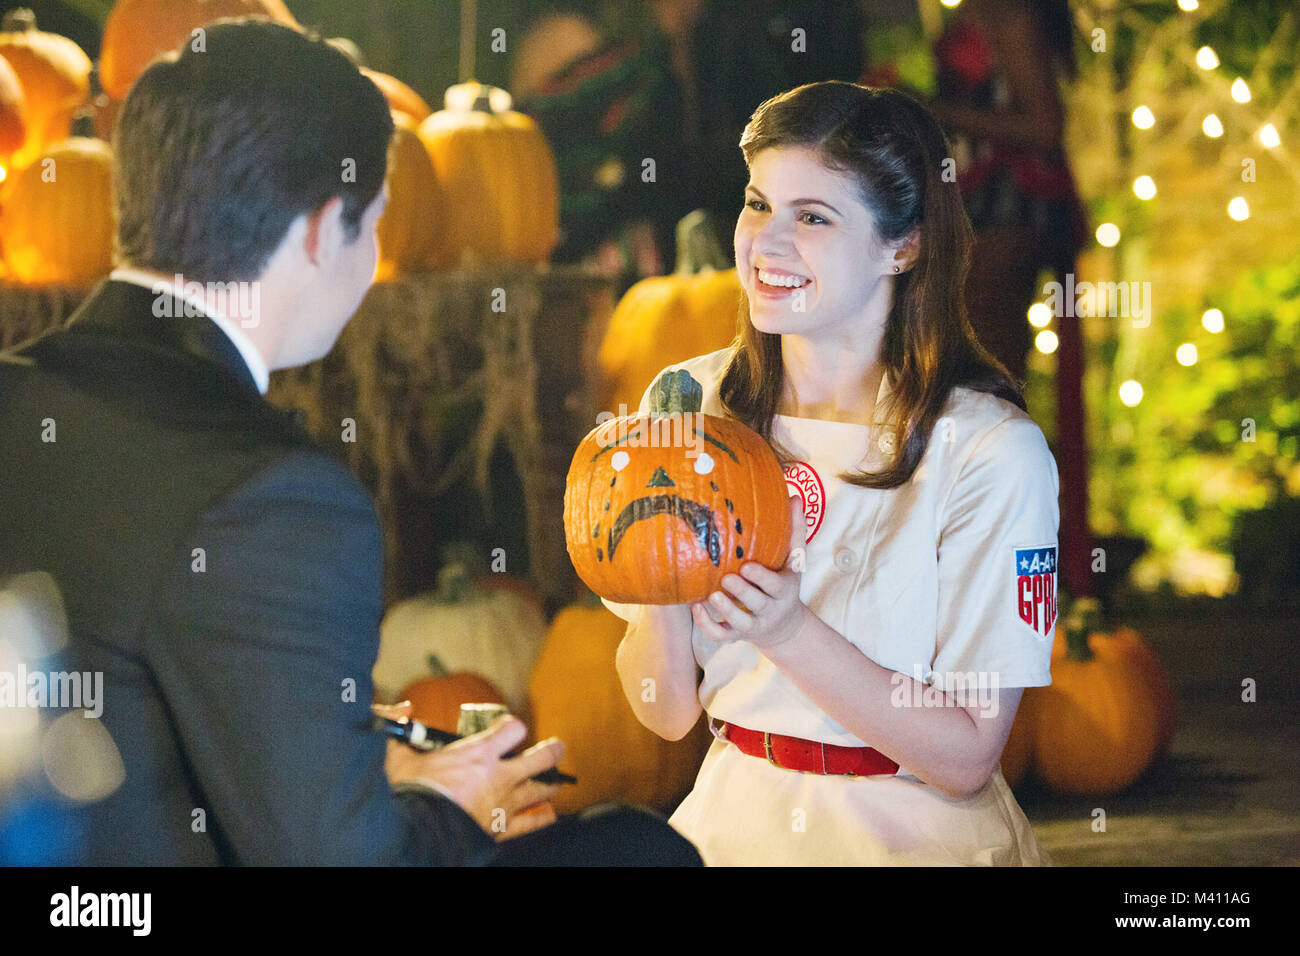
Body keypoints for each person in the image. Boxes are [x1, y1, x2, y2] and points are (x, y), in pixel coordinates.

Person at [0, 18, 699, 867]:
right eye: (371, 224)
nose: (372, 259)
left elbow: (138, 686)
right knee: (635, 851)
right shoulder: (274, 498)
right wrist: (449, 803)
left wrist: (353, 759)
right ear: (320, 228)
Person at [608, 81, 1059, 865]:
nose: (764, 244)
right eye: (757, 204)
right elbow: (667, 714)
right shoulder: (688, 406)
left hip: (915, 837)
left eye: (812, 217)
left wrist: (785, 629)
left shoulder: (990, 450)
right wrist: (661, 591)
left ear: (904, 245)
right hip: (731, 821)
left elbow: (965, 757)